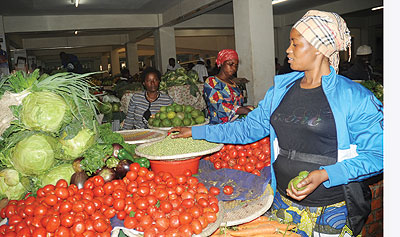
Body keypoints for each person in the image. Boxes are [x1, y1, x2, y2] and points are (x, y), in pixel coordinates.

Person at [170, 10, 383, 237]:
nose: (288, 50)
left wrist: (327, 174)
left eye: (295, 43)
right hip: (282, 202)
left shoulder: (354, 97)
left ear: (320, 48)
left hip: (330, 210)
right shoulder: (281, 91)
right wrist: (196, 131)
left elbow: (380, 154)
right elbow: (247, 128)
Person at [203, 49, 253, 124]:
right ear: (221, 63)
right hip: (218, 126)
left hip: (234, 125)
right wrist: (244, 110)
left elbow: (237, 104)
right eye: (230, 64)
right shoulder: (211, 82)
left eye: (236, 65)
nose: (234, 68)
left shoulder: (233, 84)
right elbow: (218, 105)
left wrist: (248, 108)